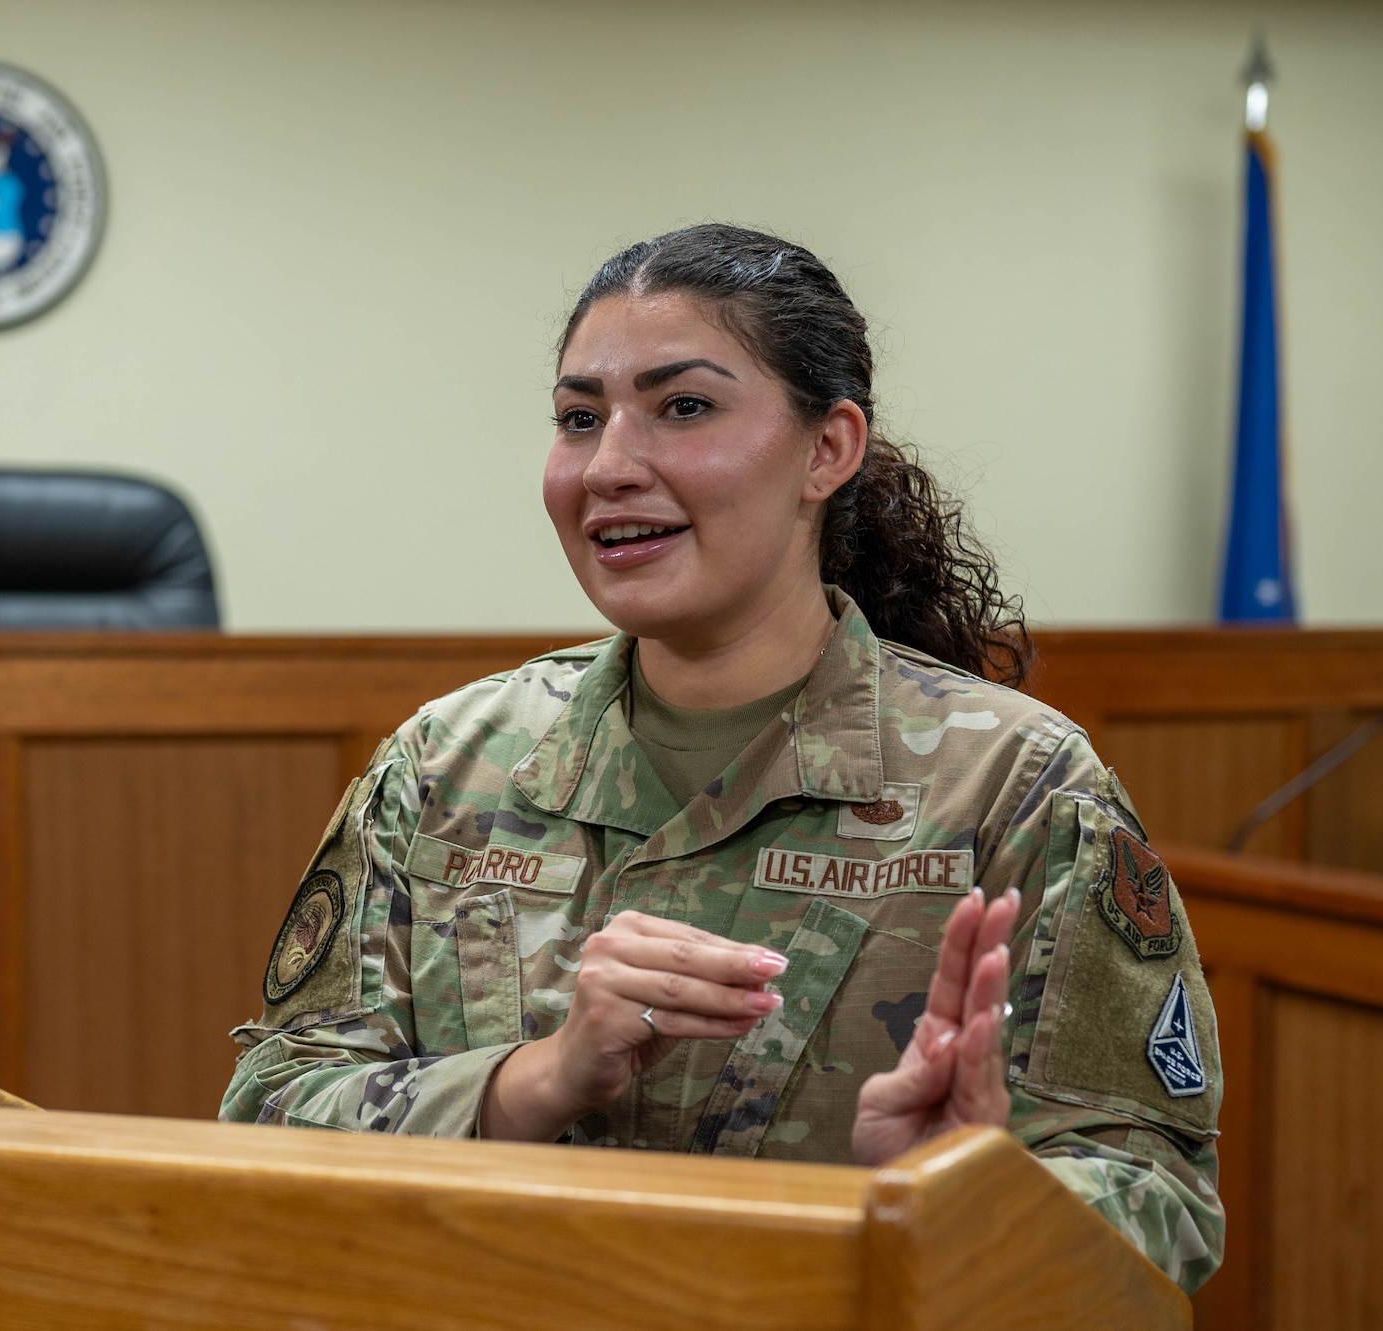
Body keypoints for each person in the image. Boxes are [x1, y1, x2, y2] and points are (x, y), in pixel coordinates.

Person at [219, 223, 1222, 1292]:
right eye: (576, 418)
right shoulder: (441, 768)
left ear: (826, 449)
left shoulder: (1012, 785)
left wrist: (949, 1198)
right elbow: (271, 1111)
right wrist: (532, 1079)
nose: (607, 465)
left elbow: (1157, 1196)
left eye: (682, 407)